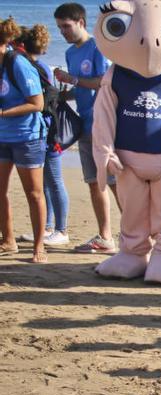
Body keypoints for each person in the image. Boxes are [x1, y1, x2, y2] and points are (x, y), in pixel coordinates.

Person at [53, 2, 116, 254]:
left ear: (81, 22)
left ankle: (135, 235)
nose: (63, 32)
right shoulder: (71, 53)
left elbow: (104, 83)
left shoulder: (98, 48)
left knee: (114, 182)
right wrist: (60, 95)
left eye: (66, 26)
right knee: (93, 182)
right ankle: (105, 237)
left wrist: (74, 79)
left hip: (104, 123)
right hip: (84, 124)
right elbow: (80, 89)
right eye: (59, 28)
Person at [16, 24, 69, 247]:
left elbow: (40, 102)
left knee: (54, 180)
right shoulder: (38, 66)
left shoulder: (34, 68)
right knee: (44, 182)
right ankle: (47, 226)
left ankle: (61, 229)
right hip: (44, 129)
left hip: (47, 131)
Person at [0, 17, 48, 263]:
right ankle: (8, 240)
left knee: (34, 193)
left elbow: (37, 104)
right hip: (2, 137)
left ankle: (39, 246)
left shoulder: (17, 63)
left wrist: (2, 113)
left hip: (27, 136)